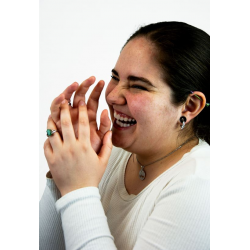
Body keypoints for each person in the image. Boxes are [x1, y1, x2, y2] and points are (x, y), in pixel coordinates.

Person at [40, 21, 210, 250]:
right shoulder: (106, 153)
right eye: (116, 77)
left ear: (189, 106)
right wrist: (63, 171)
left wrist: (78, 188)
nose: (113, 96)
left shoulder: (201, 186)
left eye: (138, 86)